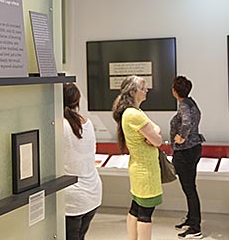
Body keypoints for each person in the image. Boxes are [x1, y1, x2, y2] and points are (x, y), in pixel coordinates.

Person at [112, 75, 163, 240]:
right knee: (145, 213)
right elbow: (158, 140)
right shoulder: (135, 115)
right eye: (142, 87)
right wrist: (154, 136)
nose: (146, 90)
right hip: (145, 170)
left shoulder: (132, 112)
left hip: (138, 168)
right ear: (133, 92)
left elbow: (156, 130)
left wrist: (154, 134)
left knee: (136, 209)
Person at [63, 83, 102, 240]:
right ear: (77, 101)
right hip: (93, 192)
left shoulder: (60, 125)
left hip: (72, 198)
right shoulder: (88, 123)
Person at [170, 76, 206, 239]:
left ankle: (195, 226)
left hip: (185, 151)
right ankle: (191, 219)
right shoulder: (192, 103)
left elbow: (186, 123)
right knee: (190, 187)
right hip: (194, 148)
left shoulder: (184, 106)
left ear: (175, 91)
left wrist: (182, 137)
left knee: (189, 189)